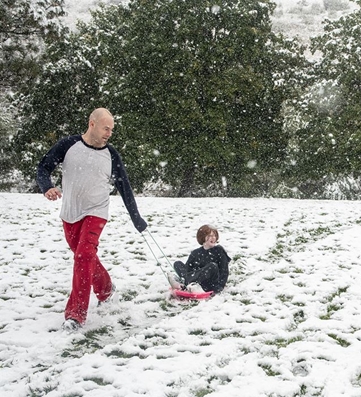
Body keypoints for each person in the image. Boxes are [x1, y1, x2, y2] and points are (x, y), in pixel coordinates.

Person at [36, 108, 148, 332]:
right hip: (70, 212)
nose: (109, 133)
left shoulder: (111, 154)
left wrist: (136, 218)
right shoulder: (69, 145)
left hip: (97, 211)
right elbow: (44, 167)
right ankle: (106, 289)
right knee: (84, 257)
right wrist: (46, 187)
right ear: (92, 124)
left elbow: (123, 186)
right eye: (106, 128)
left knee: (84, 254)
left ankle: (76, 315)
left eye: (112, 130)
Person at [173, 224, 231, 294]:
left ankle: (185, 282)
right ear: (203, 237)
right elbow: (188, 269)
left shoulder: (219, 251)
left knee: (212, 266)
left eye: (214, 235)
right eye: (210, 236)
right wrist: (188, 275)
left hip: (209, 284)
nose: (213, 238)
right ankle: (188, 283)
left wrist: (218, 288)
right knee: (177, 263)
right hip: (195, 280)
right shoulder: (195, 253)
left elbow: (224, 272)